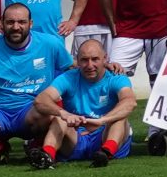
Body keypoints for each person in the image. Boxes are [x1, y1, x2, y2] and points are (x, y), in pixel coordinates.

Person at [0, 1, 75, 163]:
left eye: (22, 22)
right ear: (2, 24)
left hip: (31, 111)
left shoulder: (50, 43)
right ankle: (0, 149)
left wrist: (103, 66)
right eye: (10, 22)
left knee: (52, 114)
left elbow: (72, 70)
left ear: (30, 24)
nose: (16, 27)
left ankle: (37, 145)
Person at [33, 35, 140, 168]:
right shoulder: (68, 77)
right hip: (76, 136)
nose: (90, 65)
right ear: (77, 61)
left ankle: (106, 153)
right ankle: (46, 156)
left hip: (104, 134)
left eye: (95, 59)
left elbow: (130, 102)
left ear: (105, 59)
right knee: (59, 119)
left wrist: (102, 120)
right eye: (84, 60)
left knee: (120, 118)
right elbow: (40, 100)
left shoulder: (116, 78)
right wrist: (64, 114)